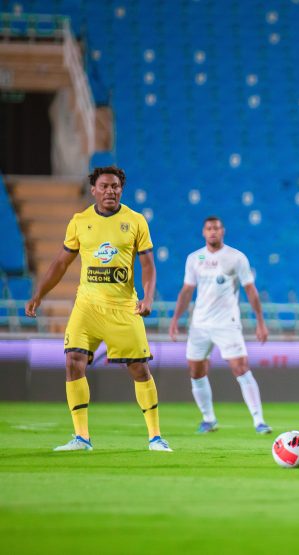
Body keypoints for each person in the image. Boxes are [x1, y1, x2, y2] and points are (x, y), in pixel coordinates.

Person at [25, 166, 171, 452]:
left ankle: (155, 437)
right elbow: (60, 263)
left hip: (123, 307)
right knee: (72, 362)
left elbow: (148, 265)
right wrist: (39, 294)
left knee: (139, 369)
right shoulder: (80, 222)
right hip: (87, 306)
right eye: (104, 186)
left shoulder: (136, 221)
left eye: (115, 186)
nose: (110, 191)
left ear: (121, 189)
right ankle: (81, 437)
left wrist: (148, 298)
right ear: (93, 189)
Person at [169, 216, 271, 434]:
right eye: (208, 228)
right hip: (199, 324)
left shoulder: (236, 258)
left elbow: (251, 291)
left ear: (223, 231)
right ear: (203, 232)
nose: (212, 231)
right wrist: (175, 319)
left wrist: (260, 321)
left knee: (240, 368)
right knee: (196, 371)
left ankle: (259, 421)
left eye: (216, 228)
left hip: (227, 323)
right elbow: (187, 291)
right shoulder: (194, 258)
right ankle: (208, 419)